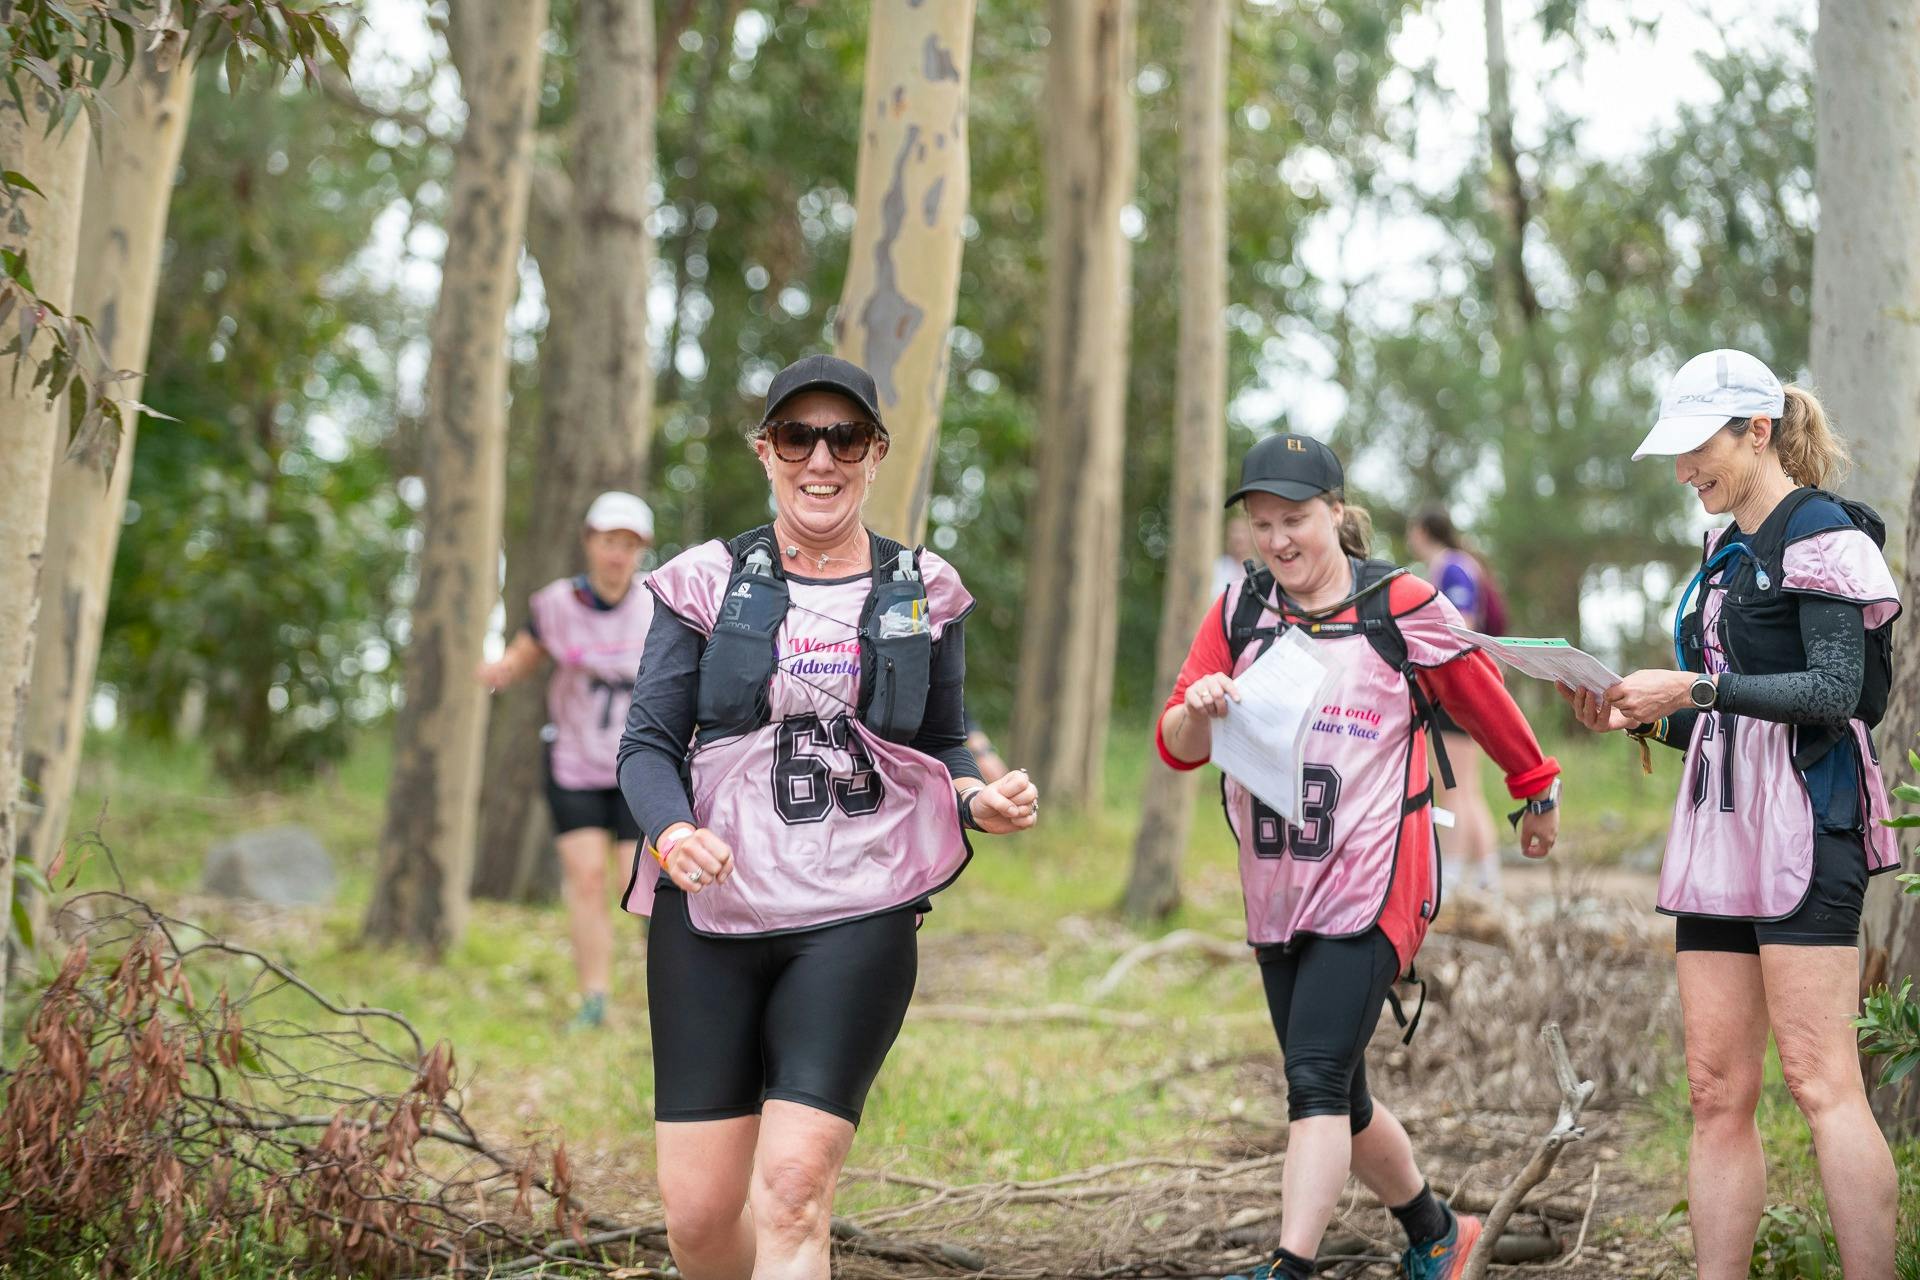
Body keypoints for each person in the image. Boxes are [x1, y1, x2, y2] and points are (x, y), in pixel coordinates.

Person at [616, 354, 1040, 1280]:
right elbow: (646, 743)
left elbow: (941, 740)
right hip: (712, 911)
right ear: (765, 450)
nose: (821, 458)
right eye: (798, 436)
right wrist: (674, 832)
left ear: (876, 452)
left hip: (859, 906)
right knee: (695, 1217)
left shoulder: (923, 587)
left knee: (796, 1187)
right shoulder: (705, 579)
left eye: (844, 437)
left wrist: (978, 797)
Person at [1155, 433, 1562, 1280]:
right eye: (1262, 524)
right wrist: (1197, 704)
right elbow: (1177, 744)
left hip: (1379, 881)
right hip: (1278, 888)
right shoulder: (1239, 613)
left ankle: (1288, 1268)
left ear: (1337, 516)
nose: (1278, 540)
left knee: (1311, 1078)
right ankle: (1440, 1236)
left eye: (1294, 519)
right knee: (1340, 1091)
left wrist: (1536, 787)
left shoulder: (1400, 605)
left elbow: (1484, 701)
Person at [1565, 349, 1901, 1279]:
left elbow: (1838, 690)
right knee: (1715, 1091)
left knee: (1820, 1082)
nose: (1683, 472)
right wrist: (1645, 712)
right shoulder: (1720, 552)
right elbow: (1723, 724)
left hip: (1807, 827)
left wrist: (1698, 688)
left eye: (1697, 448)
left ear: (1758, 432)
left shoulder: (1824, 535)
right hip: (1718, 840)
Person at [477, 490, 657, 1031]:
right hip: (575, 761)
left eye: (628, 544)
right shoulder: (556, 603)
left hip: (639, 763)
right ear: (589, 542)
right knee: (584, 879)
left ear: (641, 550)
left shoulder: (658, 600)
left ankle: (667, 996)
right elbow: (528, 651)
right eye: (608, 541)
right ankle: (594, 998)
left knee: (641, 881)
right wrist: (500, 670)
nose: (616, 554)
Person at [1405, 510, 1509, 894]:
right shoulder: (1460, 565)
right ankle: (1487, 876)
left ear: (1422, 530)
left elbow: (1462, 624)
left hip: (1456, 685)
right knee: (1469, 787)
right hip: (1470, 684)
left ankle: (1450, 876)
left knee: (1454, 787)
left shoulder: (1451, 566)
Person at [1213, 511, 1257, 599]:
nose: (1239, 537)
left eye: (1243, 531)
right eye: (1234, 532)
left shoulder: (1262, 568)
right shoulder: (1220, 566)